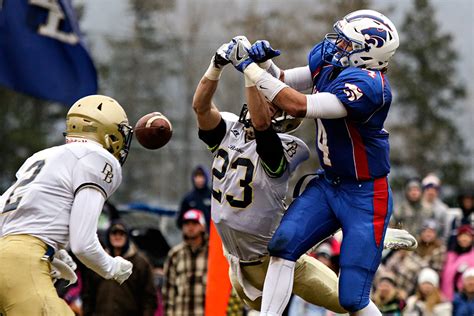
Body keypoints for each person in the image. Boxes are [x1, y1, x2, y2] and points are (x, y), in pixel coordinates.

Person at [195, 37, 415, 315]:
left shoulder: (287, 146)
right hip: (240, 257)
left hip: (357, 196)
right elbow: (208, 105)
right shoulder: (229, 127)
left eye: (349, 44)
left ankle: (368, 234)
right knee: (284, 244)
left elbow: (291, 108)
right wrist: (249, 65)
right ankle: (360, 233)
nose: (338, 47)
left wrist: (251, 71)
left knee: (349, 299)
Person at [0, 95, 134, 315]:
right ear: (109, 133)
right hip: (22, 266)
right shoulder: (98, 158)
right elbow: (83, 244)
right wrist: (112, 267)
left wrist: (52, 248)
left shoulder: (42, 156)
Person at [82, 221, 157, 316]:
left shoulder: (140, 263)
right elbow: (88, 295)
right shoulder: (99, 261)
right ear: (108, 236)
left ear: (127, 237)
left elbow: (149, 298)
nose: (118, 237)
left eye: (122, 233)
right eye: (114, 233)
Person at [162, 209, 208, 316]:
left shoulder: (214, 253)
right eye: (187, 224)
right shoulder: (174, 254)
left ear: (202, 226)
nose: (190, 227)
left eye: (195, 223)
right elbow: (168, 293)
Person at [383, 218, 446, 296]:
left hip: (421, 281)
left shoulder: (439, 249)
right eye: (426, 231)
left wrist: (412, 261)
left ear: (436, 234)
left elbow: (433, 271)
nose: (428, 234)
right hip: (401, 276)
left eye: (431, 232)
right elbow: (396, 260)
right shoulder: (413, 244)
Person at [441, 224, 474, 300]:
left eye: (467, 236)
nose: (464, 239)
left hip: (465, 298)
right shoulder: (450, 255)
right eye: (462, 236)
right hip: (446, 297)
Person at [176, 165, 212, 231]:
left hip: (210, 235)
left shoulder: (212, 196)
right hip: (193, 236)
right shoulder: (188, 198)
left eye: (201, 176)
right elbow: (179, 221)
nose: (199, 179)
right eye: (196, 176)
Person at [421, 173, 450, 240]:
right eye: (428, 189)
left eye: (434, 189)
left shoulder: (443, 209)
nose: (431, 192)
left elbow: (446, 230)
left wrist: (441, 243)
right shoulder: (417, 206)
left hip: (437, 245)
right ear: (423, 190)